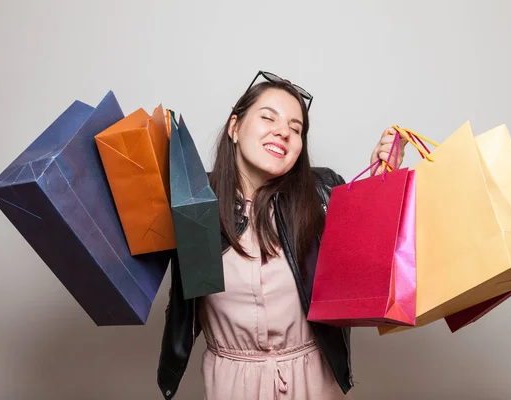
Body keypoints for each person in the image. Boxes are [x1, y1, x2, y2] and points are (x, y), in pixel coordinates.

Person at [157, 71, 408, 400]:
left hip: (312, 380)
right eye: (268, 118)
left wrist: (381, 182)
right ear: (234, 127)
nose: (282, 132)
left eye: (295, 128)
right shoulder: (192, 201)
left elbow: (369, 263)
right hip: (232, 382)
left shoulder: (323, 192)